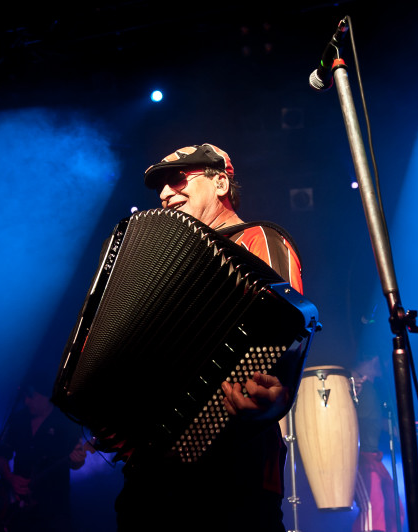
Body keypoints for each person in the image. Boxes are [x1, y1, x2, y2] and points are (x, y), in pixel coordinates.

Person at [113, 143, 305, 531]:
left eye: (178, 179)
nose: (165, 194)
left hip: (235, 470)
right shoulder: (158, 266)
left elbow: (283, 328)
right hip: (152, 475)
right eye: (160, 187)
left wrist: (276, 393)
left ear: (220, 183)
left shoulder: (256, 239)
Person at [0, 379, 91, 532]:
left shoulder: (67, 422)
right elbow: (1, 457)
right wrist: (10, 478)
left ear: (46, 397)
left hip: (54, 508)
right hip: (18, 506)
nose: (26, 401)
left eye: (31, 397)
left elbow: (76, 463)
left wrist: (78, 460)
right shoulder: (18, 420)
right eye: (25, 397)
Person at [350, 352, 403, 532]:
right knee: (373, 509)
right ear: (375, 358)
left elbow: (372, 419)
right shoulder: (354, 381)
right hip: (360, 457)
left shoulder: (370, 388)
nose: (389, 366)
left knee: (395, 509)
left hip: (373, 455)